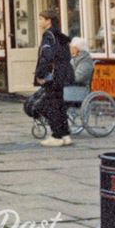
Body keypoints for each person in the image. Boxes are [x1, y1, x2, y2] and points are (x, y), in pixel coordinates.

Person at [34, 9, 76, 147]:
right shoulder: (60, 35)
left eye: (41, 19)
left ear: (48, 21)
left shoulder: (48, 35)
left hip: (54, 74)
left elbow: (46, 56)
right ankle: (65, 135)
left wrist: (40, 74)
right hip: (64, 72)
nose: (39, 21)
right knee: (59, 105)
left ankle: (56, 135)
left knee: (51, 105)